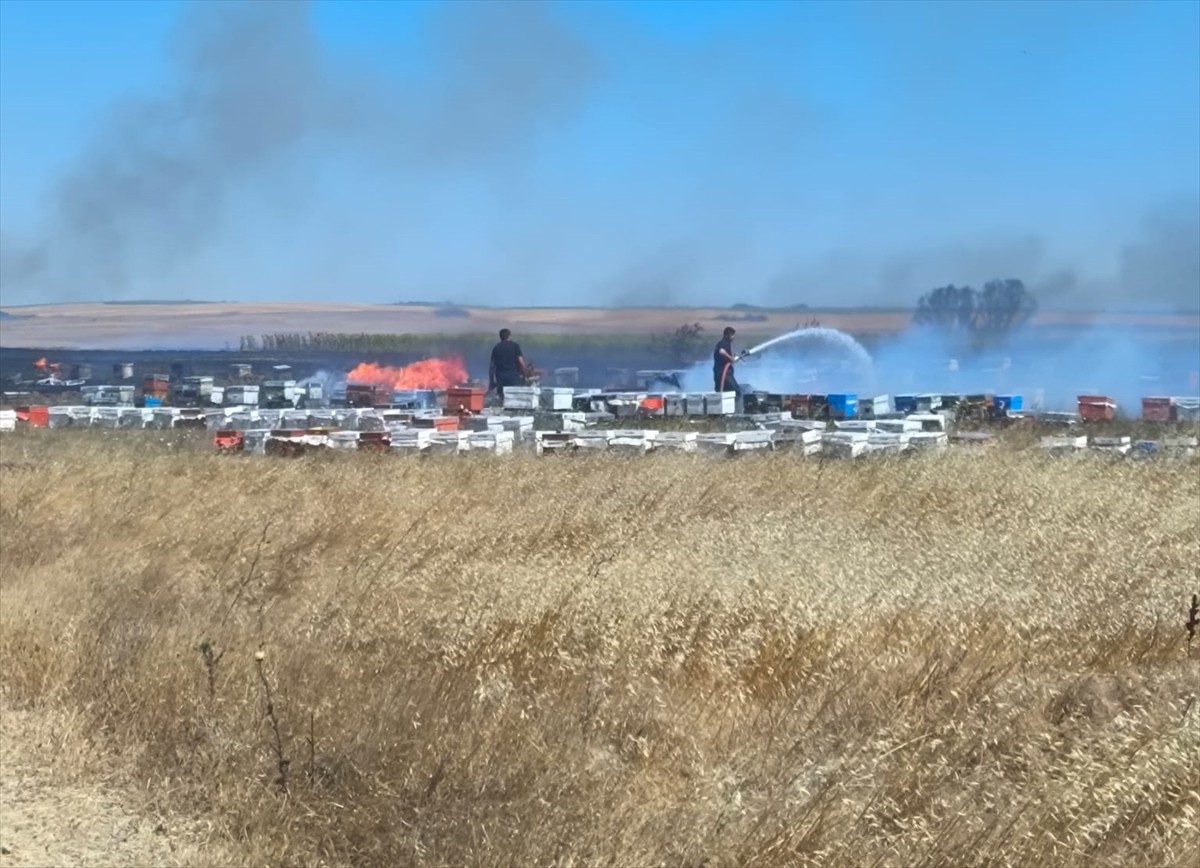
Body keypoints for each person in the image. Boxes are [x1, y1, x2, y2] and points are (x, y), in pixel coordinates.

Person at [489, 328, 528, 399]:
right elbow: (521, 363)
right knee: (513, 398)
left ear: (500, 337)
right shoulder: (515, 346)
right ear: (509, 336)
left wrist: (491, 381)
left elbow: (492, 367)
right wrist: (525, 376)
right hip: (512, 376)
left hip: (500, 377)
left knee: (502, 398)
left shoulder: (496, 348)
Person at [713, 326, 741, 394]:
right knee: (736, 390)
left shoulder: (724, 343)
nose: (733, 337)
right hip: (724, 372)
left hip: (719, 372)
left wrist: (733, 356)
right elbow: (722, 351)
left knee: (723, 391)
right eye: (732, 335)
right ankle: (737, 404)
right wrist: (731, 359)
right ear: (727, 335)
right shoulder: (724, 343)